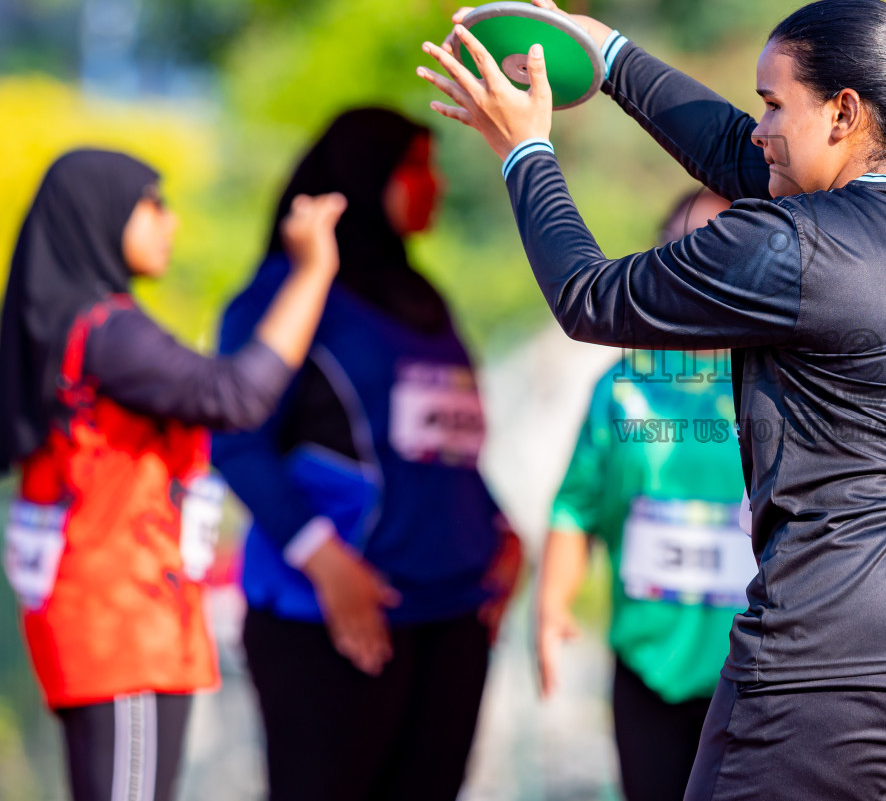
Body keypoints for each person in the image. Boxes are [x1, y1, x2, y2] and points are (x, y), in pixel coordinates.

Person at [418, 0, 886, 801]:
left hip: (854, 650)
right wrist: (613, 57)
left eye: (771, 104)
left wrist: (525, 152)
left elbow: (591, 297)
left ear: (844, 113)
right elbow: (743, 156)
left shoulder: (792, 249)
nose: (757, 127)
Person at [0, 149, 343, 801]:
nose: (170, 222)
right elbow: (235, 396)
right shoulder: (106, 333)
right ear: (99, 215)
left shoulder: (71, 330)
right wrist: (313, 271)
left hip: (114, 623)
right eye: (152, 204)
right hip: (122, 626)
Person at [214, 109, 522, 801]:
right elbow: (236, 443)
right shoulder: (282, 296)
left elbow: (443, 446)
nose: (435, 184)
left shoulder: (427, 299)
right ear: (362, 177)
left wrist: (501, 532)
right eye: (416, 167)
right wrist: (326, 564)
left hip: (452, 615)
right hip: (330, 620)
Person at [538, 186, 751, 801]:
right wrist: (552, 609)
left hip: (765, 676)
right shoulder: (623, 386)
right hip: (649, 670)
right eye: (690, 250)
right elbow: (574, 505)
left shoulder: (787, 379)